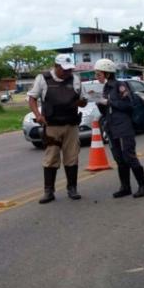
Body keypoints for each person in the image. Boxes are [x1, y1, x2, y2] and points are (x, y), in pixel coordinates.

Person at [28, 54, 87, 204]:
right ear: (56, 66)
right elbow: (32, 98)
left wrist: (81, 102)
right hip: (52, 126)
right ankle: (49, 191)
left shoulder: (75, 80)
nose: (67, 73)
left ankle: (72, 188)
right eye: (64, 70)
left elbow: (83, 102)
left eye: (69, 70)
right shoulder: (43, 79)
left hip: (71, 125)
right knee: (51, 157)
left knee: (72, 156)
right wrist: (38, 115)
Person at [94, 59, 144, 198]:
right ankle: (125, 187)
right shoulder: (106, 88)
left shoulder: (121, 86)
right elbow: (105, 111)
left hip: (124, 126)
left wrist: (109, 102)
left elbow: (128, 106)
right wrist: (98, 102)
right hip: (111, 126)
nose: (97, 76)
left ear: (107, 73)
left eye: (99, 73)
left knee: (129, 155)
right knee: (119, 158)